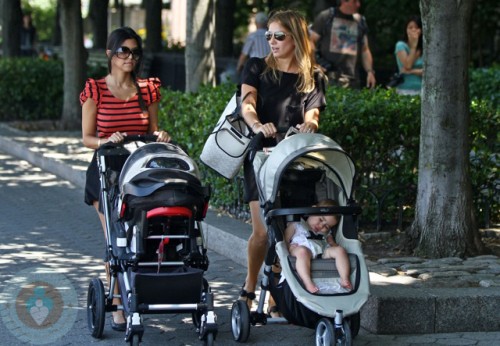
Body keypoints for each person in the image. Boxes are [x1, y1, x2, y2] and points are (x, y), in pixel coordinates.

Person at [80, 27, 170, 331]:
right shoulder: (95, 89)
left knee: (141, 236)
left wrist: (161, 136)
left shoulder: (148, 89)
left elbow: (153, 131)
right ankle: (117, 301)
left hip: (141, 171)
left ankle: (140, 289)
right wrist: (107, 139)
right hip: (107, 172)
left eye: (134, 51)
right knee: (116, 239)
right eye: (123, 51)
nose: (129, 57)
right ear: (110, 54)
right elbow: (87, 138)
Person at [239, 9, 327, 316]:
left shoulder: (312, 76)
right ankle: (248, 290)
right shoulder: (257, 68)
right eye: (269, 36)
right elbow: (247, 103)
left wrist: (310, 127)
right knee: (263, 232)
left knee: (288, 229)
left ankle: (276, 295)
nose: (272, 42)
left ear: (296, 38)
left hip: (295, 159)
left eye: (279, 36)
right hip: (262, 156)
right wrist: (256, 125)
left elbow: (312, 116)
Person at [285, 199, 352, 293]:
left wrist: (333, 244)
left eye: (327, 226)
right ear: (313, 210)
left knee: (340, 250)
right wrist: (289, 247)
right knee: (302, 252)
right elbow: (285, 240)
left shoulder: (326, 234)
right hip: (299, 249)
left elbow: (333, 245)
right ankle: (307, 282)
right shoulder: (297, 224)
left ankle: (345, 278)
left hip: (320, 252)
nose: (321, 226)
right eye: (321, 219)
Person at [310, 0, 376, 89]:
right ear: (344, 1)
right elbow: (310, 42)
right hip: (328, 76)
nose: (358, 5)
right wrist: (315, 64)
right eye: (354, 1)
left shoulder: (360, 21)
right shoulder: (327, 16)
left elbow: (365, 49)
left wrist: (370, 72)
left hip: (352, 79)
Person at [394, 16, 423, 95]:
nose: (413, 30)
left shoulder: (425, 48)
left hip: (423, 89)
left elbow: (428, 71)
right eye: (410, 27)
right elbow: (407, 65)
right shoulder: (400, 46)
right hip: (405, 89)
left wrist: (411, 71)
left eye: (416, 27)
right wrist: (414, 46)